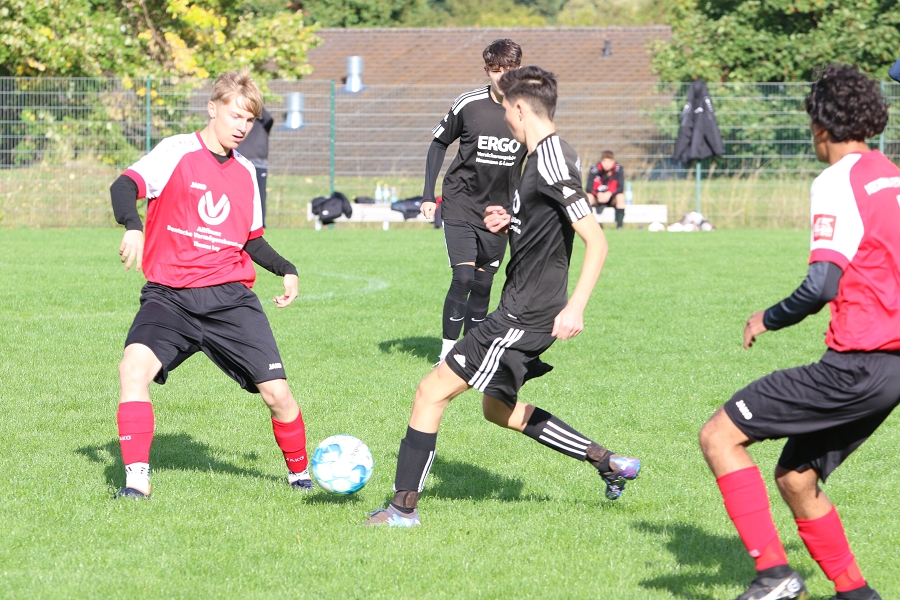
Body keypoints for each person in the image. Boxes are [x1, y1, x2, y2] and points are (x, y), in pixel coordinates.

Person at [366, 66, 641, 527]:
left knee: (430, 392)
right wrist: (509, 221)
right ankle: (607, 461)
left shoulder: (551, 160)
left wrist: (576, 306)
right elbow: (547, 225)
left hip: (524, 313)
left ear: (518, 109)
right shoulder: (548, 155)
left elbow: (596, 239)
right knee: (497, 408)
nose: (504, 120)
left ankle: (402, 509)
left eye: (506, 112)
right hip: (527, 307)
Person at [698, 65, 895, 600]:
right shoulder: (891, 175)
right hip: (892, 372)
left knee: (719, 436)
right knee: (796, 477)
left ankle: (774, 575)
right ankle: (856, 592)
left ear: (820, 126)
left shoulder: (837, 180)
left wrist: (767, 317)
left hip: (857, 364)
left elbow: (821, 285)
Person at [110, 70, 312, 498]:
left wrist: (287, 268)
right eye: (236, 115)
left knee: (278, 395)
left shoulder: (246, 172)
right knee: (132, 369)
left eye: (249, 120)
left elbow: (251, 239)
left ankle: (301, 475)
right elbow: (124, 185)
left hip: (230, 300)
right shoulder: (176, 151)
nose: (242, 127)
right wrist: (133, 225)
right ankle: (136, 481)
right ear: (212, 108)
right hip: (170, 297)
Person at [421, 39, 528, 365]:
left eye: (508, 70)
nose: (501, 76)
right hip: (461, 201)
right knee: (464, 278)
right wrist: (428, 194)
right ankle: (446, 354)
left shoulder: (529, 109)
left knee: (483, 284)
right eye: (495, 70)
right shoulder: (469, 104)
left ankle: (472, 354)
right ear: (486, 71)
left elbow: (539, 155)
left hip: (500, 211)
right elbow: (438, 143)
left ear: (519, 69)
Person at [236, 107, 274, 226]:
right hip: (240, 162)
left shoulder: (264, 122)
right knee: (239, 195)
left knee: (259, 195)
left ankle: (259, 223)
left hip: (258, 165)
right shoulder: (240, 124)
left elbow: (269, 119)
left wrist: (254, 103)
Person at [585, 150, 626, 229]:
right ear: (601, 161)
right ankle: (588, 225)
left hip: (612, 198)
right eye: (604, 161)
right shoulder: (594, 169)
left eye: (609, 161)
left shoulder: (619, 169)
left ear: (613, 161)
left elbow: (620, 188)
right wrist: (598, 194)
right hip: (597, 198)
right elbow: (588, 187)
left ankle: (619, 226)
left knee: (621, 197)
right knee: (588, 197)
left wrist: (609, 193)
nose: (607, 164)